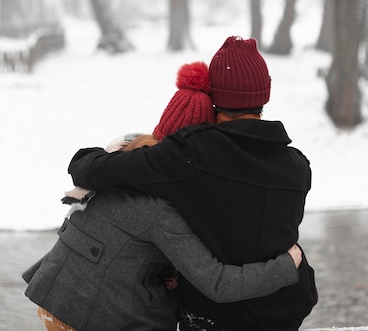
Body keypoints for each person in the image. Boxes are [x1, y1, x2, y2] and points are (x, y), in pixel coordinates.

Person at [23, 61, 302, 331]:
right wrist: (287, 265)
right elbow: (218, 283)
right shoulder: (159, 208)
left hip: (59, 290)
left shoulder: (129, 156)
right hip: (86, 309)